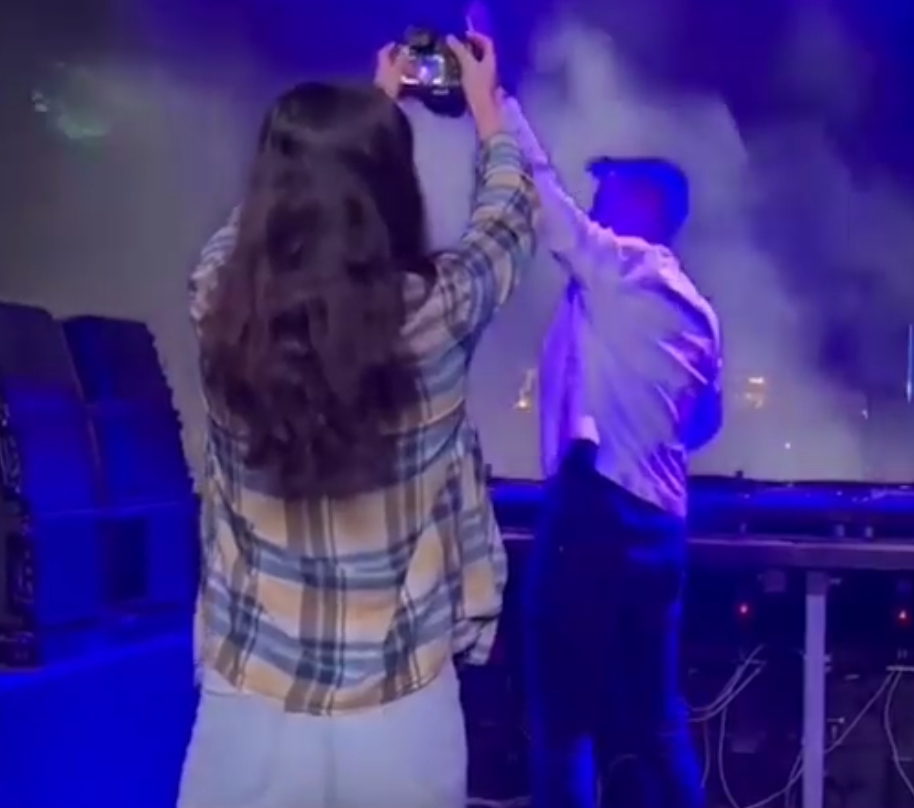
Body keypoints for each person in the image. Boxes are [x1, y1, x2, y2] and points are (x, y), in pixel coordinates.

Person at [178, 34, 538, 808]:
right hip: (400, 707)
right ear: (388, 193)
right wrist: (485, 109)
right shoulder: (438, 313)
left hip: (252, 701)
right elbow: (509, 219)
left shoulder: (218, 307)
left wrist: (352, 123)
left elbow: (252, 229)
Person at [465, 7, 721, 807]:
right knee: (654, 720)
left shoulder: (622, 269)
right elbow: (704, 420)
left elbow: (544, 200)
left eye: (609, 191)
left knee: (564, 721)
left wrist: (494, 100)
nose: (597, 200)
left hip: (595, 511)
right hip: (660, 526)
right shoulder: (698, 311)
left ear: (640, 211)